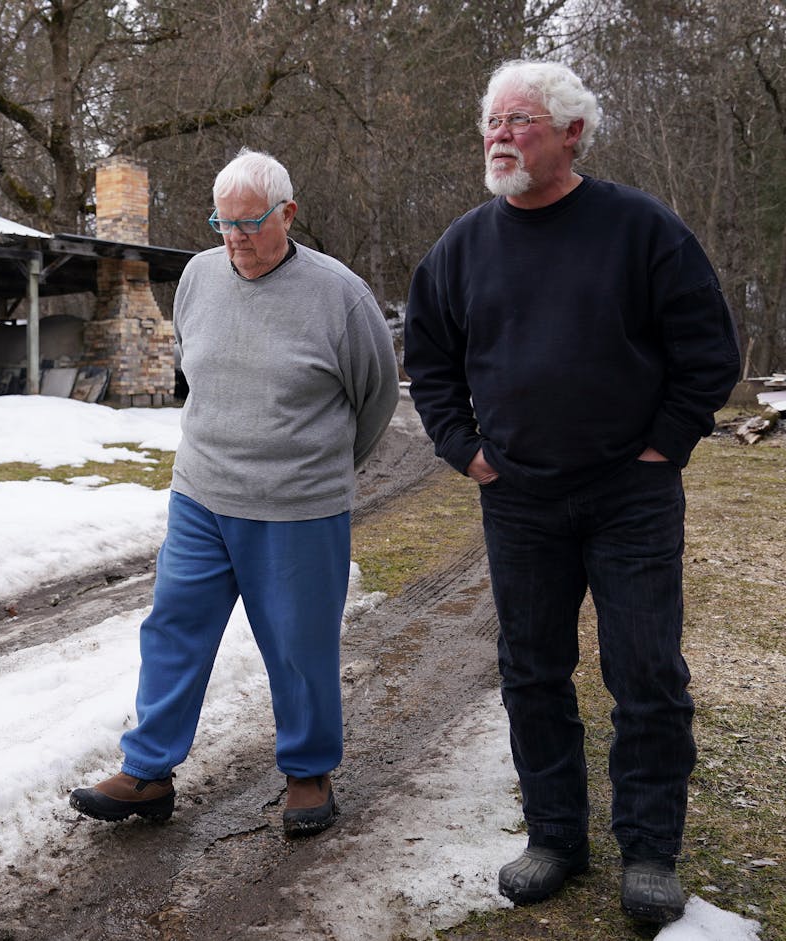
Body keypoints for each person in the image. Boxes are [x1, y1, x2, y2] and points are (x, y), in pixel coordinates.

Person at [403, 60, 740, 924]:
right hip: (519, 498)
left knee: (646, 672)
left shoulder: (640, 229)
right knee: (532, 669)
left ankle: (651, 848)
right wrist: (464, 450)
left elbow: (707, 349)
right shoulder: (462, 247)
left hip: (630, 494)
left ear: (571, 133)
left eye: (520, 119)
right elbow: (430, 362)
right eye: (492, 120)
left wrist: (666, 444)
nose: (500, 134)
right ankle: (555, 832)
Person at [69, 149, 399, 838]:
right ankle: (149, 771)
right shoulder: (196, 277)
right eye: (224, 223)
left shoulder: (340, 296)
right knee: (173, 630)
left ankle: (308, 774)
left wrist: (318, 472)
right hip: (201, 497)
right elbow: (196, 364)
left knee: (298, 644)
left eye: (252, 222)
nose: (237, 237)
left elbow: (375, 400)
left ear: (289, 213)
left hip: (298, 507)